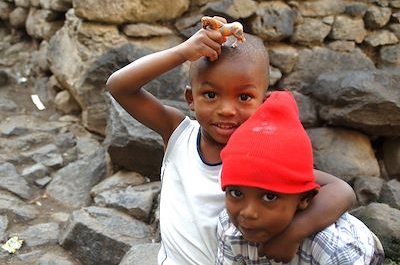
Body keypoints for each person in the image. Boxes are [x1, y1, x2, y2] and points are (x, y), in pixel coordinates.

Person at [106, 16, 356, 265]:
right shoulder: (178, 134)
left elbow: (341, 190)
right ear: (190, 99)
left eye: (244, 97)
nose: (226, 109)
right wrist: (184, 52)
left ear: (264, 103)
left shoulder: (266, 157)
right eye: (211, 94)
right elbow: (119, 86)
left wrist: (294, 232)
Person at [217, 90, 385, 264]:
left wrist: (292, 234)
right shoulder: (228, 226)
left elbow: (343, 191)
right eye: (236, 193)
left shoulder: (335, 249)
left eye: (270, 197)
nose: (248, 212)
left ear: (304, 199)